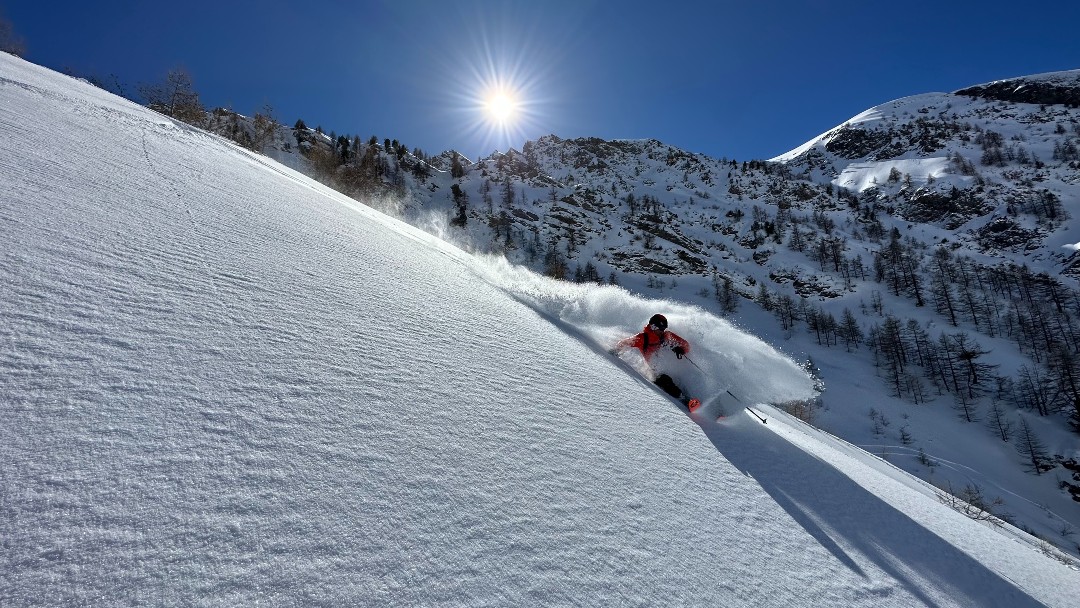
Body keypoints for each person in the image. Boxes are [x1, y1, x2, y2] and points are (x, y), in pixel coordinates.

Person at [614, 314, 701, 412]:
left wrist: (680, 349)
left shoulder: (666, 336)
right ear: (653, 327)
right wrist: (615, 351)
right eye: (660, 329)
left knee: (681, 381)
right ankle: (685, 401)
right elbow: (623, 343)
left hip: (669, 370)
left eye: (664, 329)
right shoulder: (642, 338)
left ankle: (698, 404)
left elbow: (686, 345)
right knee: (665, 380)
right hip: (655, 373)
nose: (662, 332)